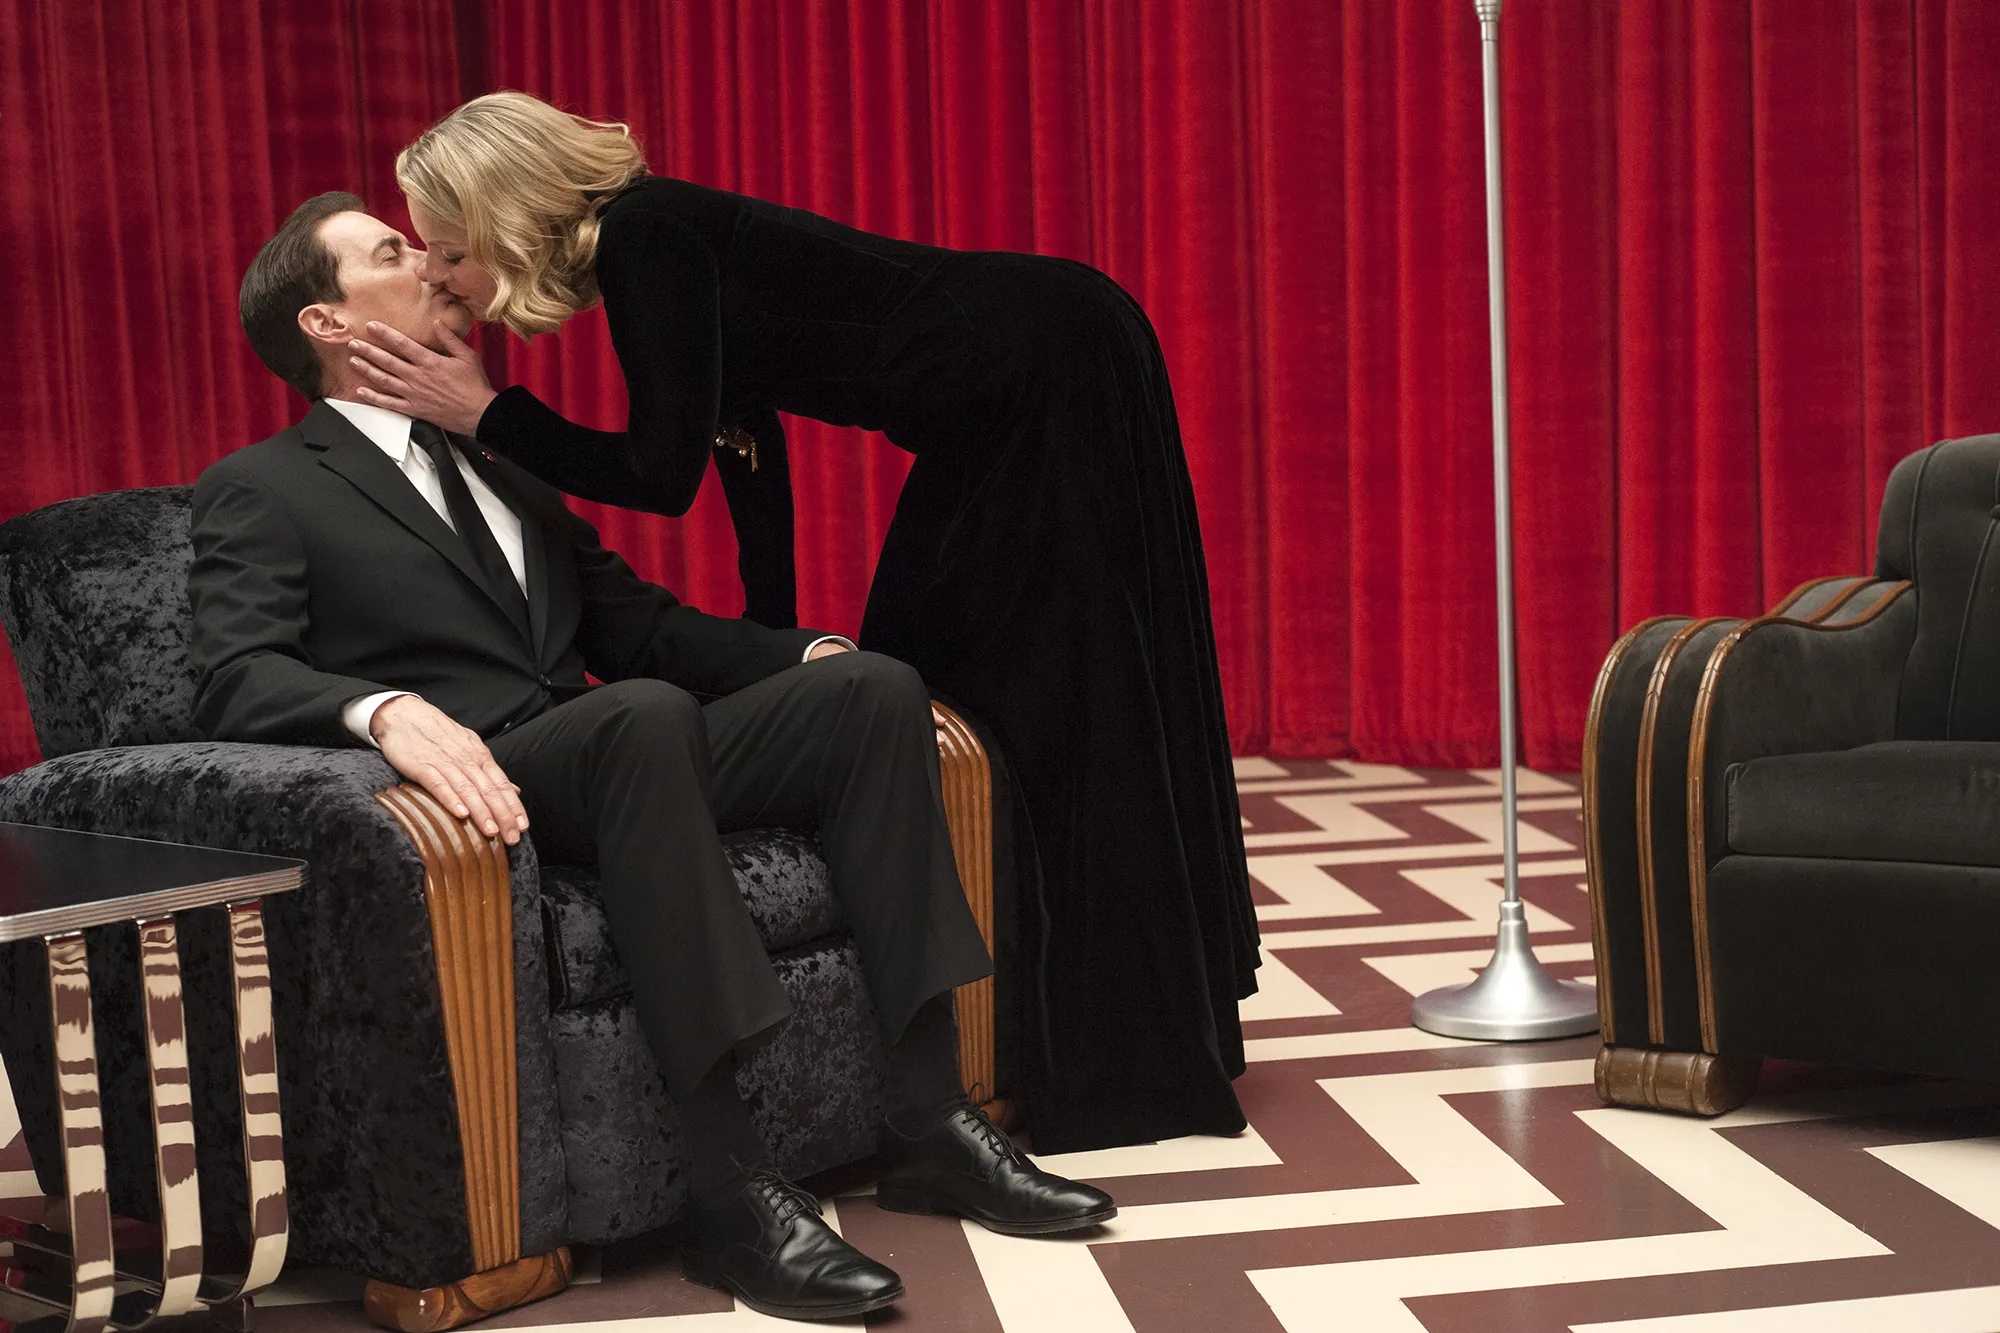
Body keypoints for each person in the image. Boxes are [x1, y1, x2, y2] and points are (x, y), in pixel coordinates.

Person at [193, 191, 1114, 1323]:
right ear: (326, 323)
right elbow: (234, 672)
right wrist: (382, 712)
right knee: (638, 715)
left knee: (871, 689)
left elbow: (638, 626)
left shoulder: (500, 457)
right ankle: (731, 1195)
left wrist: (802, 652)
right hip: (498, 777)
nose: (431, 263)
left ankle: (933, 1121)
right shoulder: (265, 485)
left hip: (628, 750)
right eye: (392, 251)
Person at [347, 92, 1261, 1153]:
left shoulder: (646, 236)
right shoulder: (658, 236)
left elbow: (659, 473)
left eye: (450, 249)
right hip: (1044, 363)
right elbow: (744, 440)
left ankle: (1103, 1054)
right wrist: (772, 635)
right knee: (991, 678)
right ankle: (1096, 1031)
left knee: (1028, 691)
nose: (441, 274)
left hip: (1039, 379)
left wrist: (488, 415)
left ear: (507, 213)